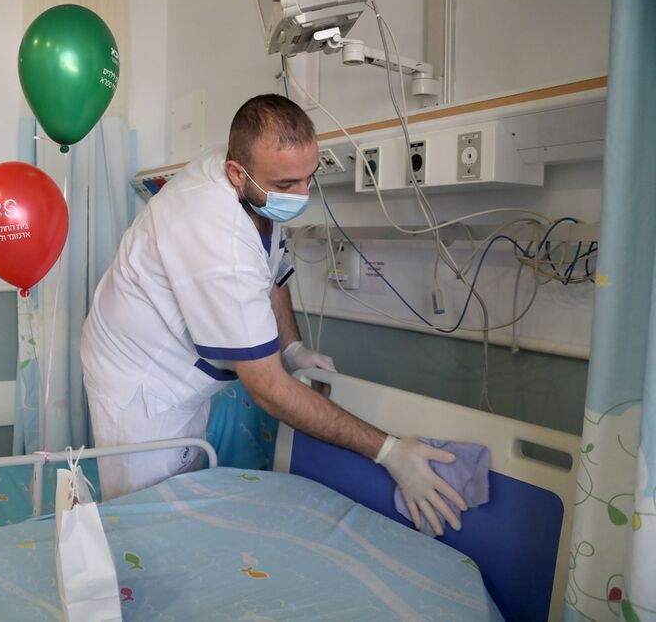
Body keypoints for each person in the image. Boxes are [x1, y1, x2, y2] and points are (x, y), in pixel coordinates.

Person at [81, 94, 467, 535]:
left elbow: (271, 271)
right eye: (287, 184)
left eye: (309, 178)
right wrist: (389, 451)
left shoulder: (258, 187)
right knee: (146, 519)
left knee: (181, 498)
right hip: (140, 382)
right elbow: (267, 388)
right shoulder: (215, 233)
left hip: (179, 371)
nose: (301, 196)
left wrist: (294, 348)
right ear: (236, 173)